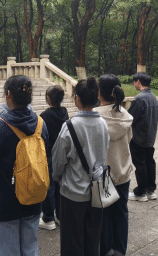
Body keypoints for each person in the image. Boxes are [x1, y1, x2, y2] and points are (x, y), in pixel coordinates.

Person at [0, 75, 49, 255]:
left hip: (4, 202)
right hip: (33, 197)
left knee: (5, 250)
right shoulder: (41, 125)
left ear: (8, 94)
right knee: (30, 248)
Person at [52, 77, 109, 256]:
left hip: (73, 192)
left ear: (77, 99)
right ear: (96, 97)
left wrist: (57, 178)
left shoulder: (70, 126)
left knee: (72, 241)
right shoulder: (103, 124)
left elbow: (58, 161)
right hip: (98, 190)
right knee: (93, 238)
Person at [95, 74, 133, 256]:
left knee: (103, 215)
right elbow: (129, 139)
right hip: (123, 170)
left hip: (103, 174)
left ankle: (106, 250)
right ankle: (120, 250)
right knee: (121, 213)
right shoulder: (125, 115)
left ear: (99, 93)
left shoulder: (95, 116)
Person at [39, 85, 69, 230]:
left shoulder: (44, 116)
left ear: (48, 98)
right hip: (62, 154)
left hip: (49, 154)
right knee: (59, 185)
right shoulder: (65, 112)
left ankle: (48, 217)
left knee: (49, 186)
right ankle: (60, 216)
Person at [128, 72, 158, 201]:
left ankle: (140, 192)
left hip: (138, 137)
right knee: (150, 163)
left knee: (140, 165)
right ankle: (150, 190)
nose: (134, 84)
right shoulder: (153, 98)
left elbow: (130, 118)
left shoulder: (139, 99)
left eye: (134, 82)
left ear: (138, 82)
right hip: (150, 137)